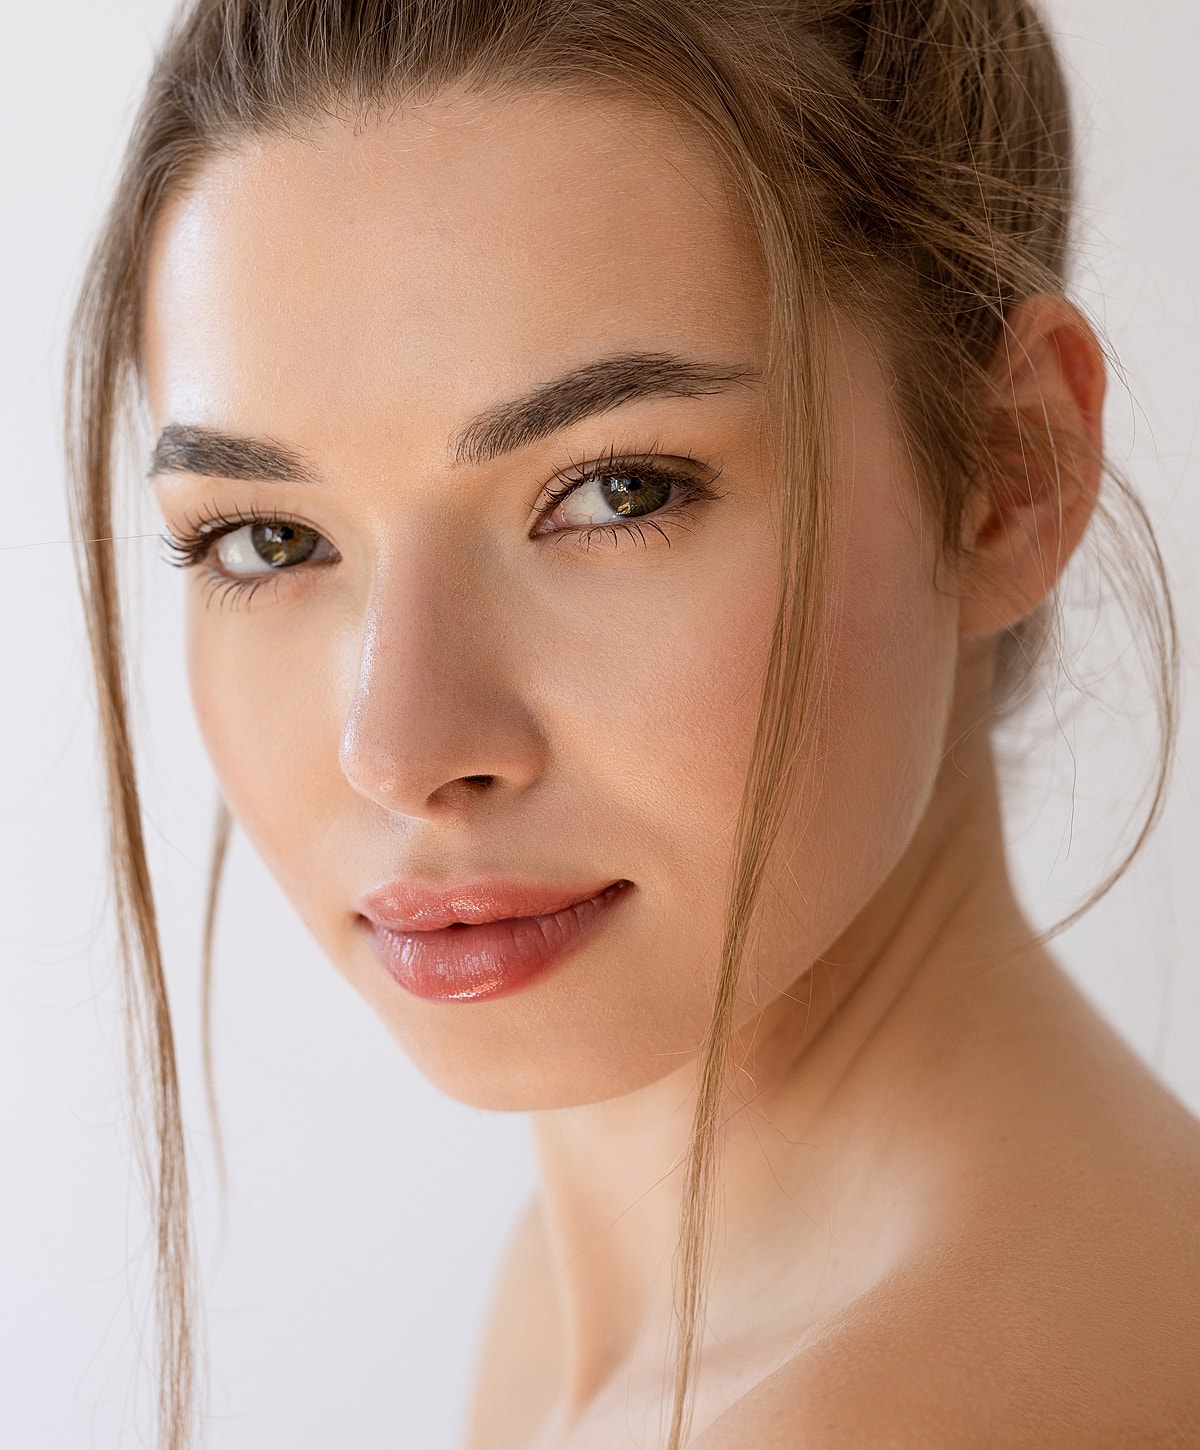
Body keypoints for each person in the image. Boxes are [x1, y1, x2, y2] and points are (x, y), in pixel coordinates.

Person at [66, 0, 1200, 1446]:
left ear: (1006, 476)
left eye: (615, 491)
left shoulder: (893, 1412)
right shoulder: (575, 1309)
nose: (404, 745)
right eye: (269, 540)